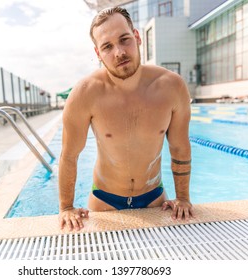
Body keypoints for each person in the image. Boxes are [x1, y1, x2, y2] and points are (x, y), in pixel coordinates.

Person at [58, 7, 193, 231]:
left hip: (154, 198)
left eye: (124, 40)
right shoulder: (84, 93)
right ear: (98, 53)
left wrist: (184, 198)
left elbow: (180, 148)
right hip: (104, 200)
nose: (119, 52)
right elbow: (69, 155)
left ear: (137, 37)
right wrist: (66, 207)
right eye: (107, 47)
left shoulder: (172, 87)